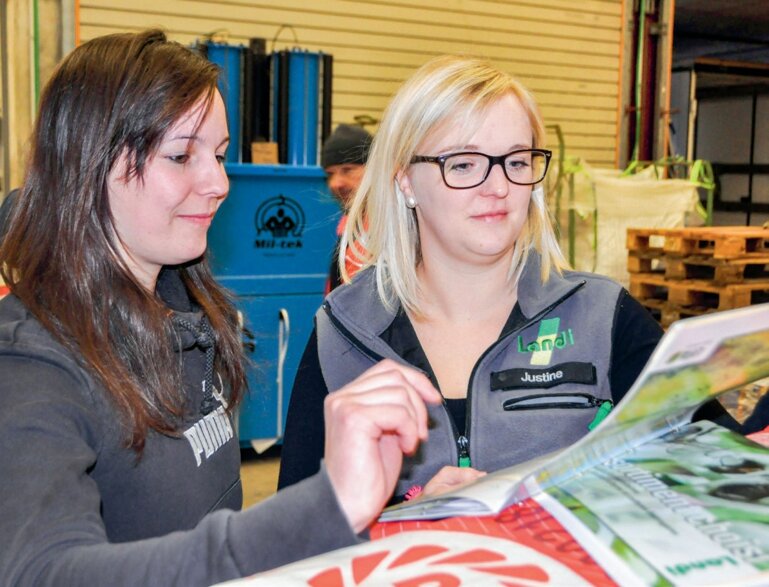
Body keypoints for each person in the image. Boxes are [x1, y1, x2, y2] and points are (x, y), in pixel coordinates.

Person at [0, 30, 441, 586]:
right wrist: (325, 509)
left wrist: (411, 515)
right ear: (86, 162)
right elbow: (44, 572)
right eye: (182, 155)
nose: (218, 182)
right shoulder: (29, 367)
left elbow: (205, 542)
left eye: (220, 154)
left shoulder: (187, 312)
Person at [277, 55, 737, 500]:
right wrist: (403, 518)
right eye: (463, 164)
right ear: (405, 182)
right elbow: (291, 538)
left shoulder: (604, 317)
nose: (498, 187)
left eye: (516, 162)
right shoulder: (344, 332)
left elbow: (726, 464)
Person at [321, 123, 372, 292]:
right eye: (330, 174)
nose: (336, 183)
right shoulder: (349, 223)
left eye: (347, 170)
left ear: (374, 168)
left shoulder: (391, 231)